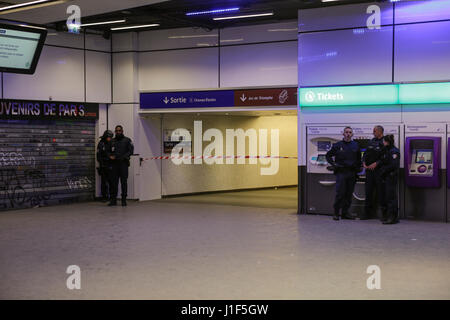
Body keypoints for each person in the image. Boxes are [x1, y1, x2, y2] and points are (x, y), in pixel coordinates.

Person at [326, 126, 362, 221]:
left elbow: (359, 159)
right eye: (346, 132)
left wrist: (358, 169)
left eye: (350, 132)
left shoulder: (356, 145)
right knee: (340, 194)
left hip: (352, 173)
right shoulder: (337, 145)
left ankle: (345, 213)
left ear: (352, 134)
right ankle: (336, 213)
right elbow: (328, 155)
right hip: (341, 173)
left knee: (348, 194)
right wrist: (333, 164)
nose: (348, 134)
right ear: (343, 133)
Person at [362, 125, 385, 220]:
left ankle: (384, 214)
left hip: (379, 172)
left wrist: (377, 163)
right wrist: (363, 162)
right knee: (368, 193)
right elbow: (366, 153)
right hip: (369, 172)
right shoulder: (371, 141)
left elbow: (386, 157)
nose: (373, 133)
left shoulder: (385, 142)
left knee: (381, 193)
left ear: (380, 131)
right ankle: (367, 214)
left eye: (374, 131)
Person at [108, 125, 134, 206]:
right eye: (117, 131)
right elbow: (108, 151)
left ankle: (123, 200)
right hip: (114, 165)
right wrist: (110, 156)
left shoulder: (127, 140)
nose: (118, 132)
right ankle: (113, 200)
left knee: (123, 183)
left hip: (123, 164)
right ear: (115, 132)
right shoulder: (112, 141)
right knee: (113, 183)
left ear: (122, 131)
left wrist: (124, 157)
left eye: (119, 130)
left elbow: (131, 151)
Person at [379, 135, 400, 224]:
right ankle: (388, 216)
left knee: (391, 198)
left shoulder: (394, 151)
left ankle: (393, 218)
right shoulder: (386, 150)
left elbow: (393, 165)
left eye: (384, 141)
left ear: (387, 142)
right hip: (385, 176)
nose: (383, 143)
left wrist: (383, 170)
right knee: (387, 197)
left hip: (391, 176)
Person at [96, 130, 113, 202]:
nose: (110, 138)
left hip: (111, 165)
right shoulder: (101, 143)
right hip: (103, 165)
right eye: (109, 137)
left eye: (111, 137)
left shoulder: (112, 143)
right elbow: (98, 155)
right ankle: (104, 196)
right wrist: (101, 164)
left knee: (111, 182)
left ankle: (112, 196)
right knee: (103, 182)